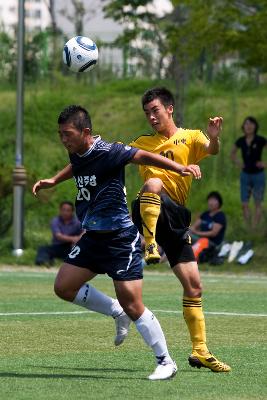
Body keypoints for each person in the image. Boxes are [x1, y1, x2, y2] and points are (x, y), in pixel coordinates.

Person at [32, 104, 201, 380]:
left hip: (121, 240)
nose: (63, 139)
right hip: (93, 239)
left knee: (135, 304)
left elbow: (144, 156)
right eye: (60, 134)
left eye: (67, 134)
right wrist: (53, 180)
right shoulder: (77, 152)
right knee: (64, 286)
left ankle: (166, 362)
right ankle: (115, 311)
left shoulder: (110, 152)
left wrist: (179, 168)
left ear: (86, 132)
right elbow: (77, 166)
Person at [130, 87, 231, 372]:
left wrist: (214, 137)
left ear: (169, 109)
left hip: (174, 218)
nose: (151, 117)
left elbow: (212, 150)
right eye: (147, 113)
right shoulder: (141, 142)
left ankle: (200, 350)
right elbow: (117, 157)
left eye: (155, 111)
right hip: (148, 209)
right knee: (153, 184)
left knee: (194, 285)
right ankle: (149, 244)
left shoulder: (191, 136)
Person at [231, 116, 266, 228]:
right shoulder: (241, 141)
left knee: (257, 203)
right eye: (246, 124)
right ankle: (248, 227)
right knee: (244, 203)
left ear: (255, 126)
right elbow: (232, 154)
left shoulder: (260, 140)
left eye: (251, 124)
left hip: (258, 175)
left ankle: (254, 228)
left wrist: (265, 163)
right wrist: (239, 163)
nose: (249, 126)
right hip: (245, 174)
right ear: (243, 127)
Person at [35, 201, 83, 266]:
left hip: (72, 246)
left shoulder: (78, 221)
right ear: (60, 210)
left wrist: (78, 239)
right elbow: (58, 236)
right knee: (43, 249)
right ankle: (44, 262)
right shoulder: (55, 221)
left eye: (68, 210)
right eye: (63, 210)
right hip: (58, 245)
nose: (65, 212)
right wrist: (74, 239)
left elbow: (85, 231)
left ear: (72, 211)